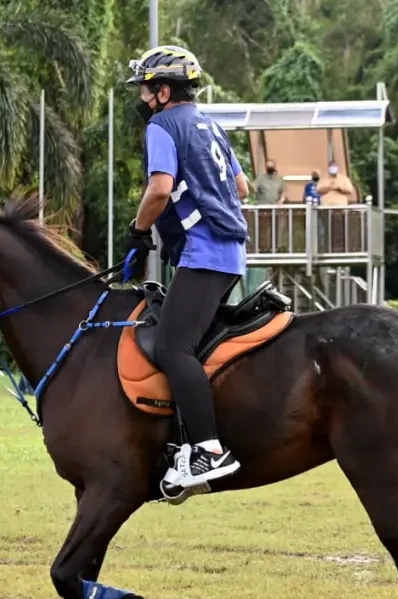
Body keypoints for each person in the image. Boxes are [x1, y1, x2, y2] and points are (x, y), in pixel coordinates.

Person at [124, 45, 246, 487]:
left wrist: (139, 231)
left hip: (204, 253)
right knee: (197, 345)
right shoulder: (211, 125)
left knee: (175, 348)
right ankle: (185, 438)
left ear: (162, 90)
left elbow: (160, 189)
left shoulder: (163, 125)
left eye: (144, 89)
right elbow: (241, 187)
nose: (141, 98)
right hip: (231, 253)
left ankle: (209, 450)